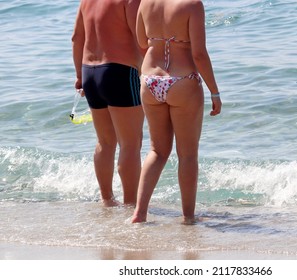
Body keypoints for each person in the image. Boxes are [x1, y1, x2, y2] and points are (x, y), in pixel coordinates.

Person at [131, 0, 222, 224]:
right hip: (182, 80)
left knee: (157, 151)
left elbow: (142, 42)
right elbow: (199, 54)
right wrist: (214, 91)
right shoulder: (192, 4)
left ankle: (139, 214)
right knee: (187, 155)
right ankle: (188, 217)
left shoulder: (145, 3)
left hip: (150, 80)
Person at [71, 0, 144, 207]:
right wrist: (146, 70)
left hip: (89, 72)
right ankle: (131, 205)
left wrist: (79, 75)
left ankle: (107, 200)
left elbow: (77, 37)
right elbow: (140, 39)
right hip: (120, 71)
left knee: (105, 141)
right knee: (131, 143)